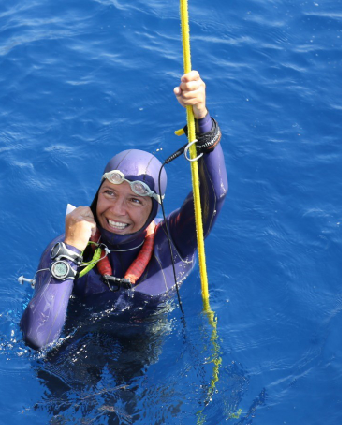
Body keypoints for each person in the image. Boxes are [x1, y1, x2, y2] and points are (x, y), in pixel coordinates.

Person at [20, 71, 227, 351]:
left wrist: (201, 118)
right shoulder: (68, 248)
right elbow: (38, 338)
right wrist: (69, 252)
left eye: (135, 201)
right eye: (109, 193)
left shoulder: (176, 242)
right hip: (78, 338)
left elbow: (214, 194)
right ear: (97, 192)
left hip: (142, 336)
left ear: (155, 208)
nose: (116, 210)